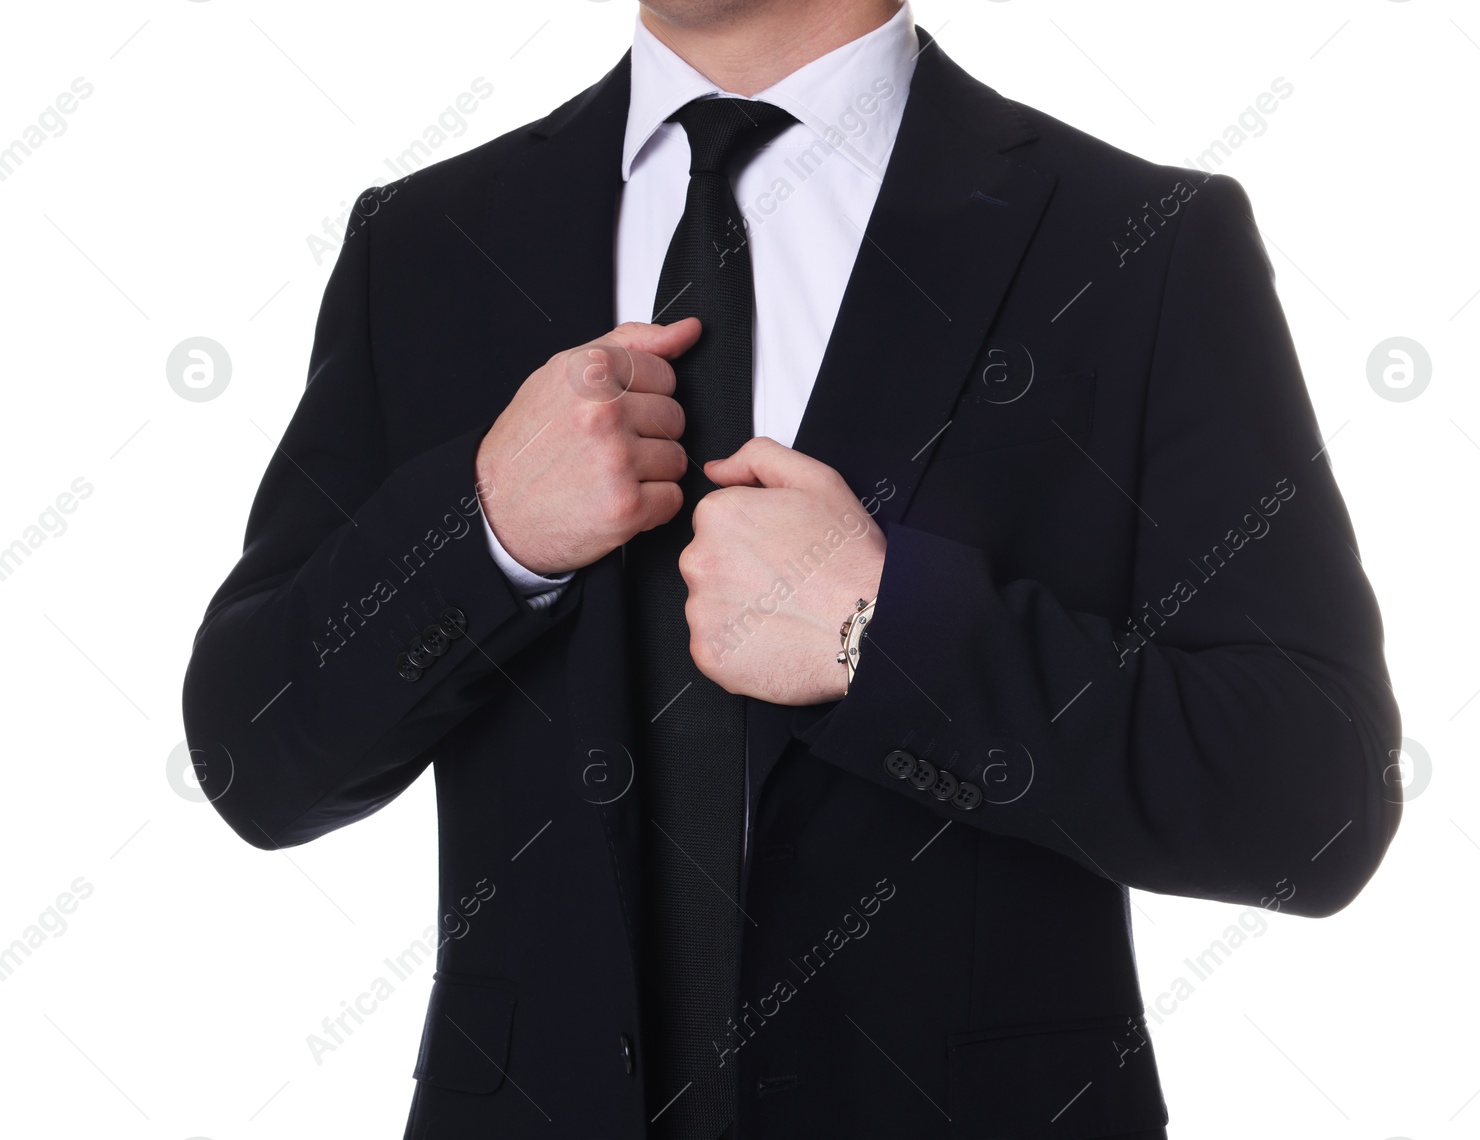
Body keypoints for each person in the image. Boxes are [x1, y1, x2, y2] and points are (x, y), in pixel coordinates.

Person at [182, 2, 1402, 1136]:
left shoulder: (1139, 245)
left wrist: (885, 638)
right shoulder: (431, 242)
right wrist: (485, 530)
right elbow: (258, 757)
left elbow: (1314, 799)